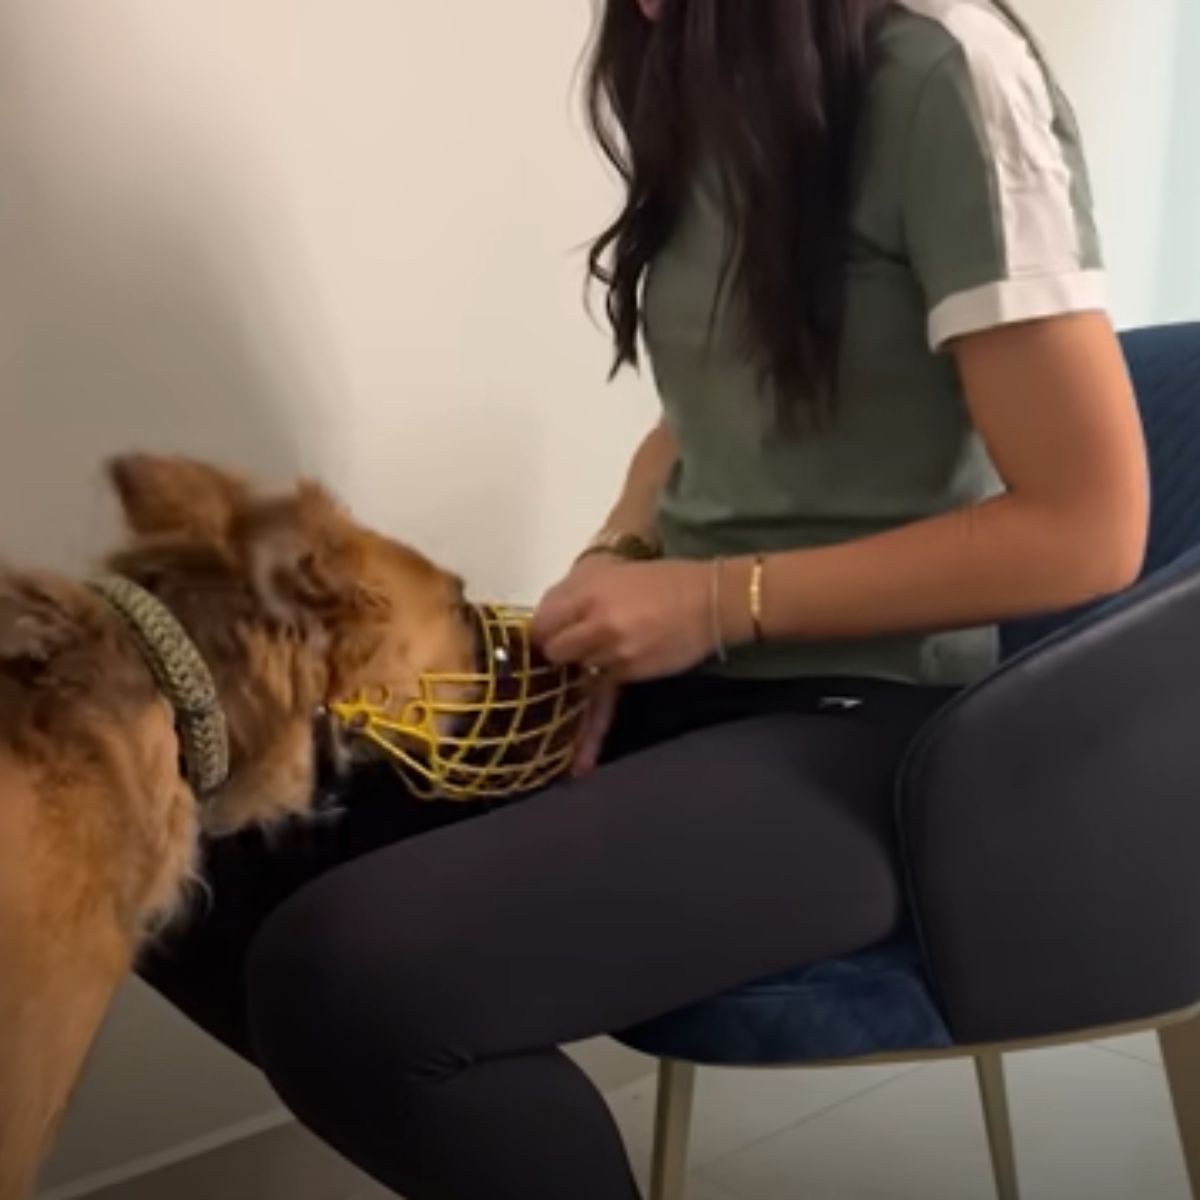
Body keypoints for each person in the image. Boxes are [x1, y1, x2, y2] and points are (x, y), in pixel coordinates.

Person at [140, 1, 1149, 1197]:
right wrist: (620, 555)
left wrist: (721, 599)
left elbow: (1092, 526)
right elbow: (705, 411)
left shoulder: (945, 68)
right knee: (168, 821)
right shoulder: (709, 62)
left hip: (895, 727)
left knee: (352, 973)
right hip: (696, 681)